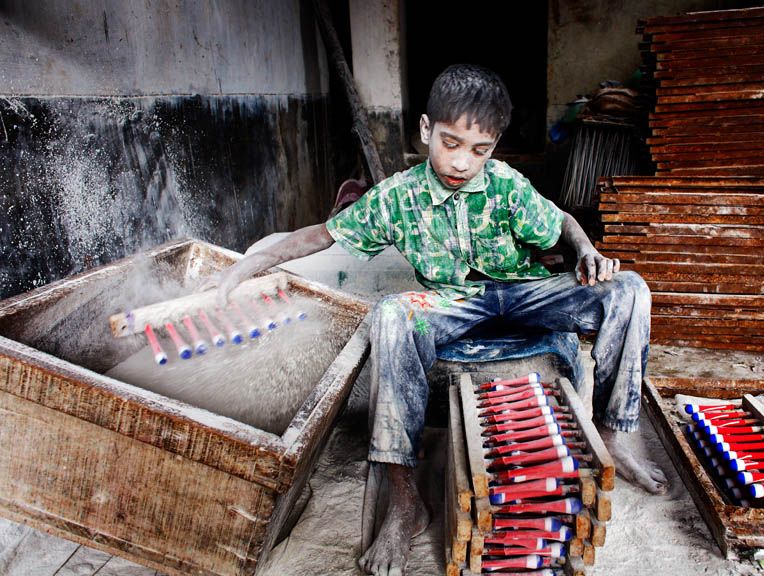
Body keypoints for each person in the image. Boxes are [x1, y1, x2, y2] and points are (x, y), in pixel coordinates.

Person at [211, 64, 666, 576]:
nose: (463, 162)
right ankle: (405, 499)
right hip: (453, 304)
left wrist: (586, 250)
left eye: (480, 150)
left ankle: (616, 431)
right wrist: (250, 263)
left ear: (493, 148)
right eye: (451, 143)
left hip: (524, 293)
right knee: (391, 315)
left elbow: (559, 220)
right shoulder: (399, 196)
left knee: (629, 289)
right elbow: (324, 233)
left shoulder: (506, 185)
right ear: (426, 130)